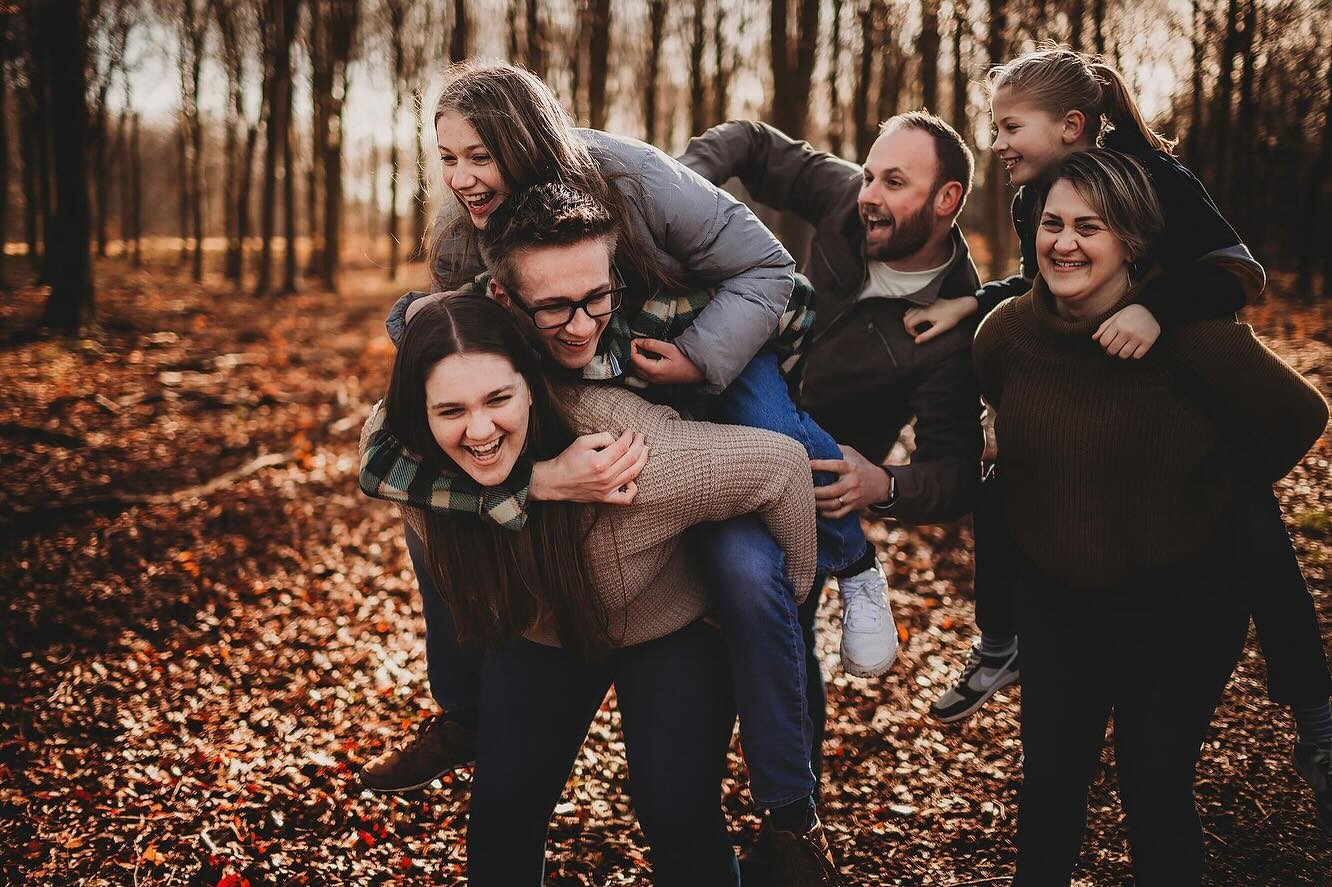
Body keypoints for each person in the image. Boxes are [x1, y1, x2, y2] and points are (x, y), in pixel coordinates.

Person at [366, 181, 847, 882]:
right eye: (452, 412)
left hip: (669, 629)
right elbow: (378, 446)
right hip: (546, 633)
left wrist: (775, 595)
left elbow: (780, 466)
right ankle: (462, 716)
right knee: (501, 809)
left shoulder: (631, 447)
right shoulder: (416, 466)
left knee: (679, 815)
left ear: (531, 385)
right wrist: (536, 481)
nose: (477, 429)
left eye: (499, 400)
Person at [910, 47, 1332, 831]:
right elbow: (1048, 281)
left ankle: (1316, 717)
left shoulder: (1156, 180)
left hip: (1189, 383)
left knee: (1250, 516)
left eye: (1009, 125)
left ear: (1071, 126)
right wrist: (972, 308)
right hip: (1100, 407)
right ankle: (1000, 642)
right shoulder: (1036, 197)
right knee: (1007, 483)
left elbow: (1239, 271)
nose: (996, 141)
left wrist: (1158, 311)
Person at [972, 149, 1328, 884]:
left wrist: (1205, 485)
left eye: (1088, 227)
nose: (1063, 242)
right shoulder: (1005, 334)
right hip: (1059, 597)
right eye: (1051, 224)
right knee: (1048, 794)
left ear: (1130, 242)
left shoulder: (1195, 335)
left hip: (1185, 600)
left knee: (1155, 785)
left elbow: (1300, 416)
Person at [680, 111, 986, 774]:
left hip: (813, 497)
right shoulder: (845, 199)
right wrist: (683, 182)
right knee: (694, 644)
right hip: (717, 424)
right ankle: (690, 792)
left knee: (779, 635)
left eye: (894, 181)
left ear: (946, 199)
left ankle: (793, 823)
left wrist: (886, 483)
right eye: (870, 174)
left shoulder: (957, 324)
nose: (869, 193)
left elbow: (956, 470)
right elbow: (755, 143)